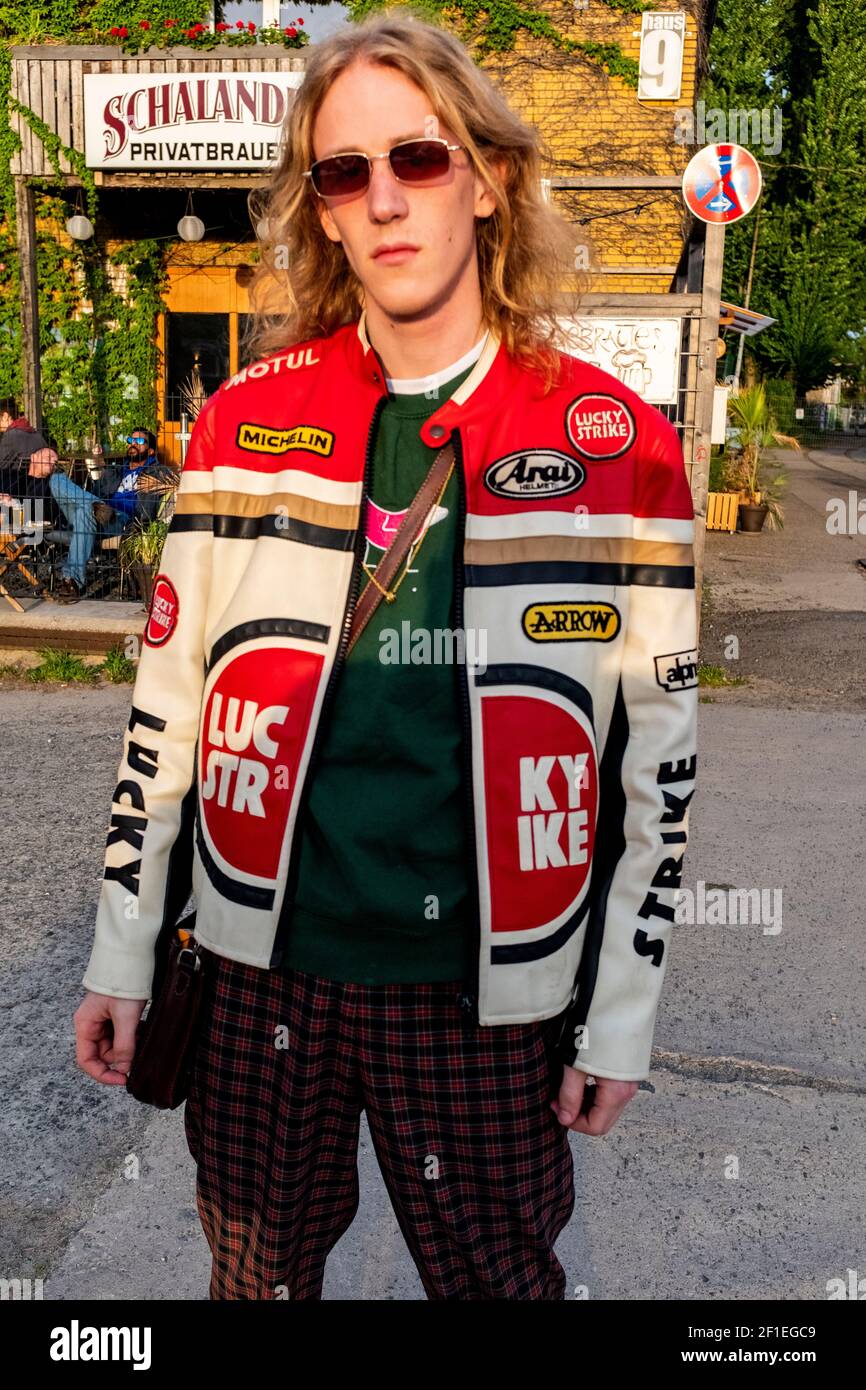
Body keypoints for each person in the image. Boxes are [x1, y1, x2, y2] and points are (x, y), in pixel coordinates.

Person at [74, 11, 698, 1301]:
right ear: (321, 210)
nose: (384, 200)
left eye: (415, 159)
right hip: (258, 981)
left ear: (484, 176)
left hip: (481, 1002)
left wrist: (620, 1016)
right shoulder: (242, 424)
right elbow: (166, 717)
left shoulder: (619, 444)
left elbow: (659, 773)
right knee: (250, 1284)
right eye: (343, 173)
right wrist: (122, 954)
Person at [48, 428, 165, 603]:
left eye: (139, 442)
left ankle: (71, 581)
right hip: (94, 514)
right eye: (131, 440)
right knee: (56, 479)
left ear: (150, 451)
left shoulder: (155, 473)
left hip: (119, 520)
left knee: (85, 509)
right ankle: (96, 505)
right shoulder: (115, 470)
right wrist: (95, 503)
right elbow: (94, 492)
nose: (133, 444)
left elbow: (147, 511)